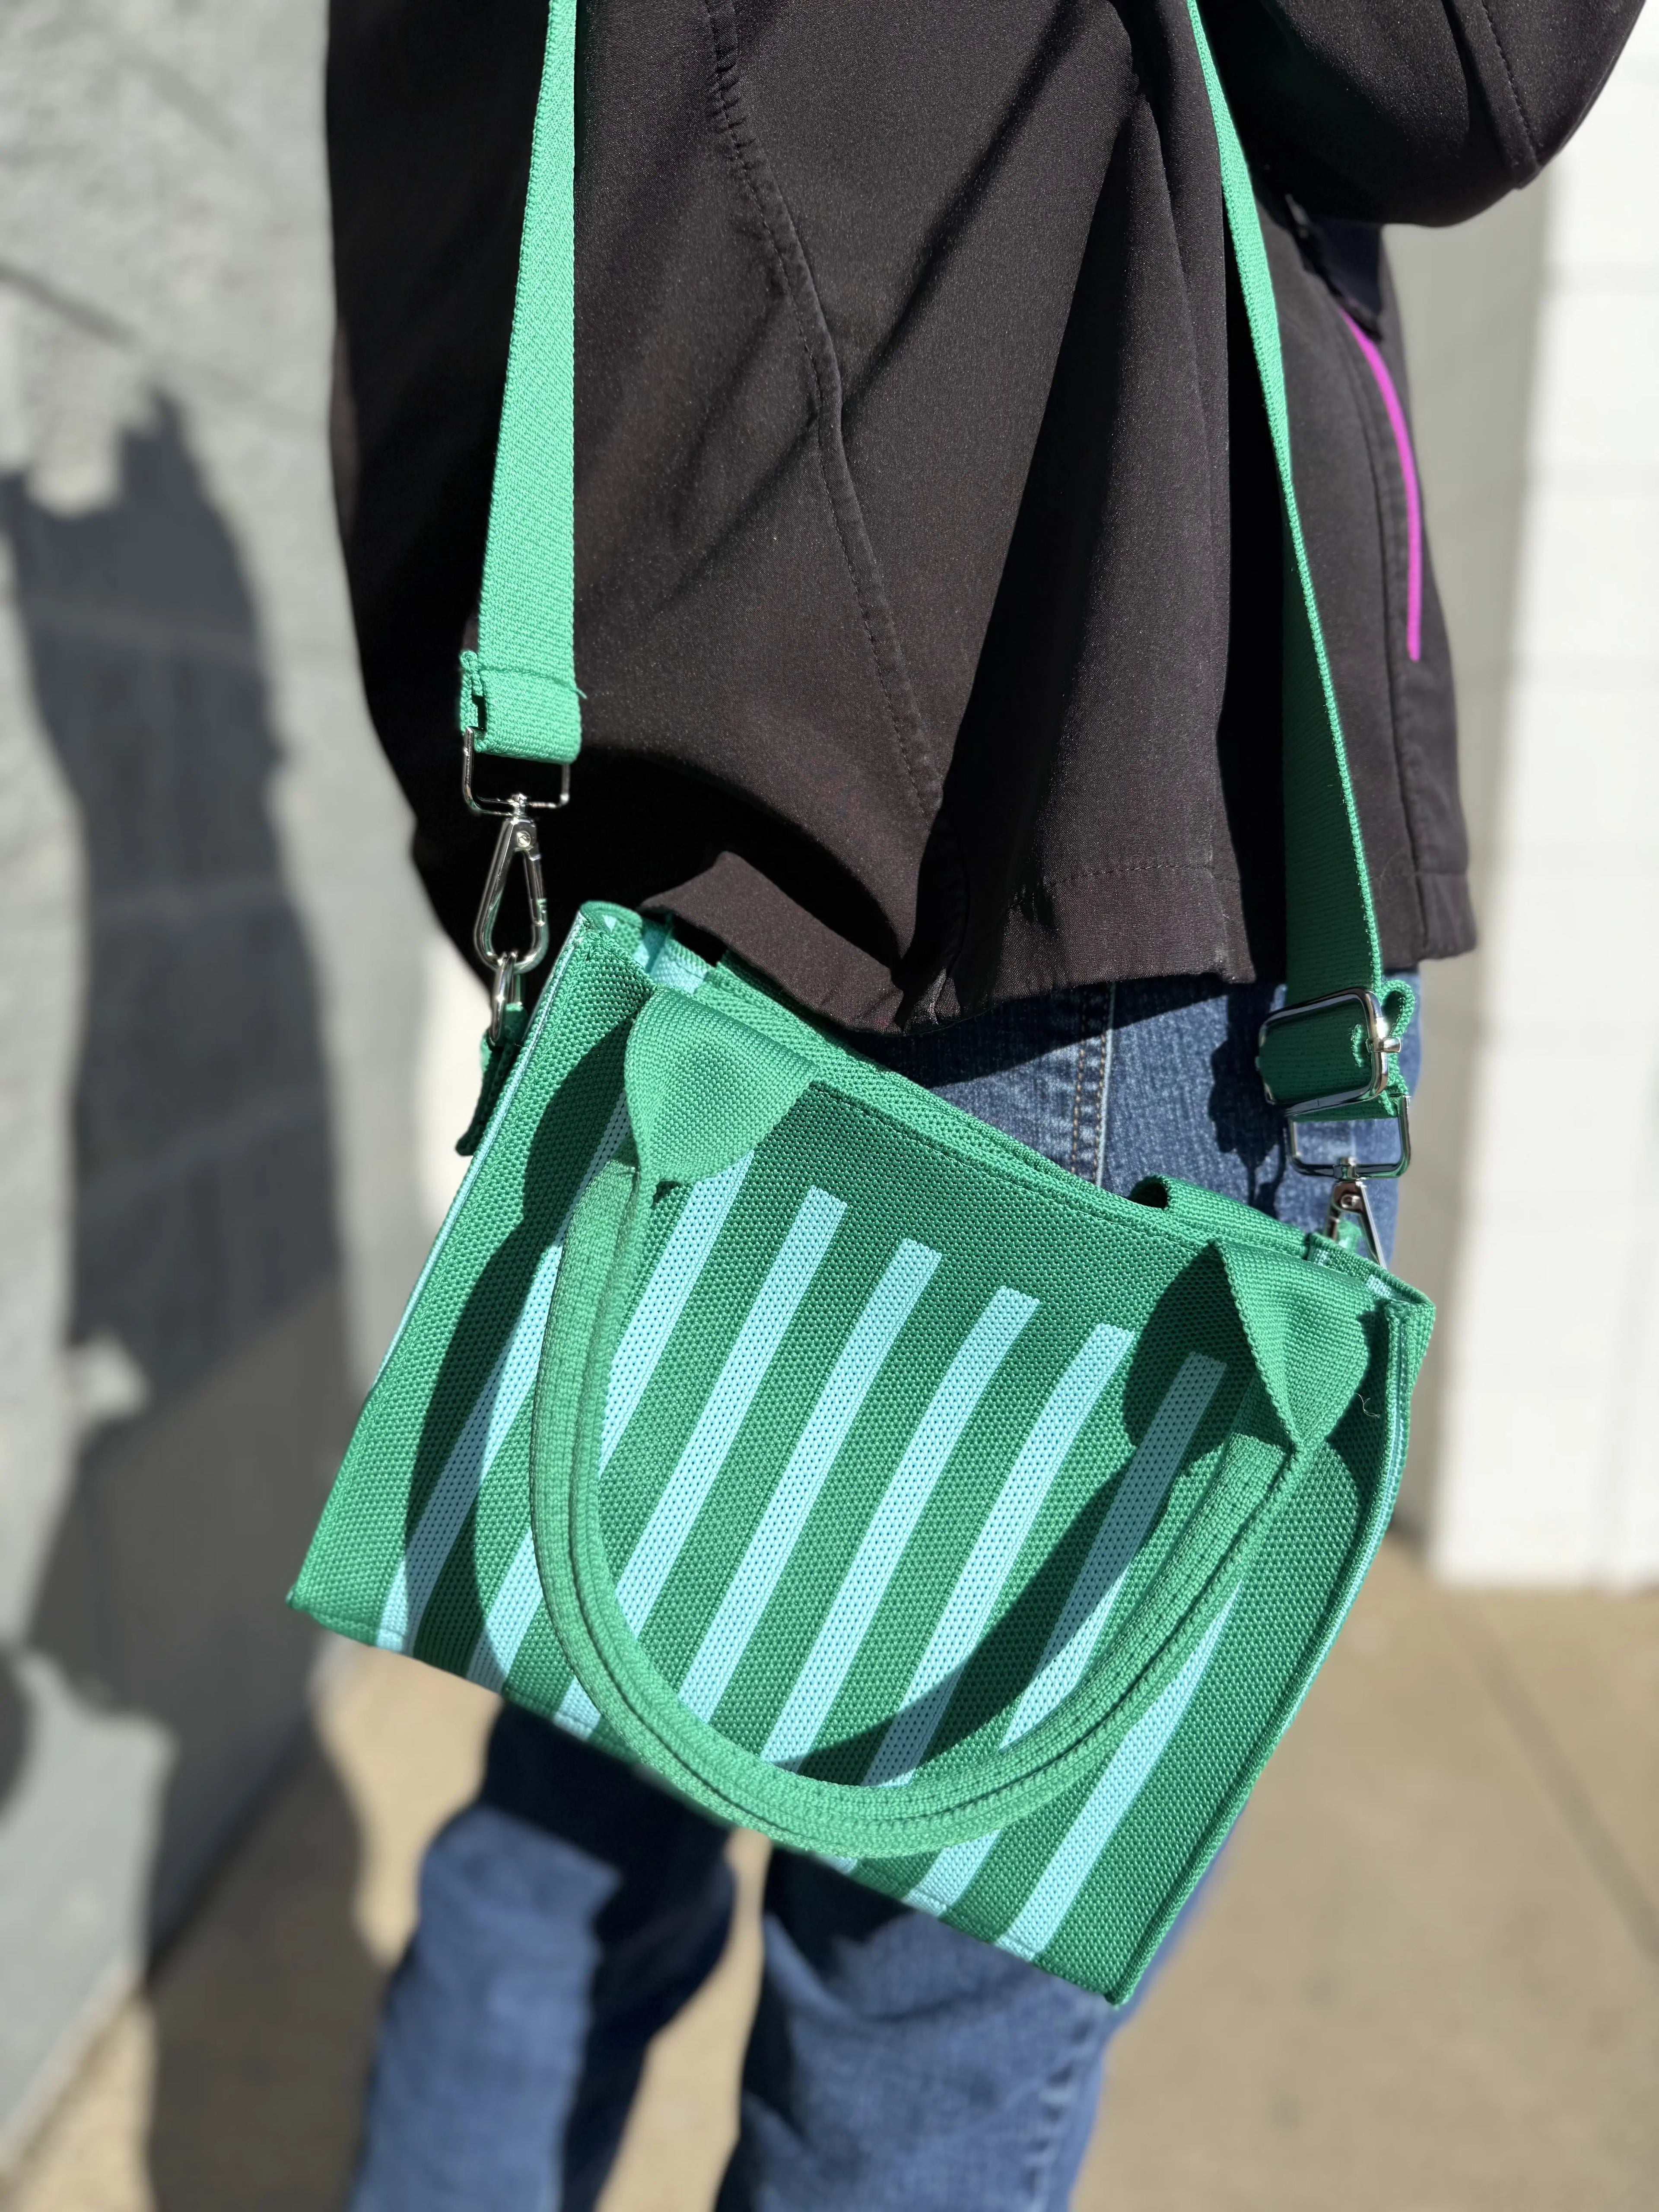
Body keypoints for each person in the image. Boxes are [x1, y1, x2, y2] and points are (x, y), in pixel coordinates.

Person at [327, 3, 1641, 2205]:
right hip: (1080, 829)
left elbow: (448, 243)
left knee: (565, 1827)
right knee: (932, 1998)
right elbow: (1458, 65)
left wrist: (526, 830)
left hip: (680, 909)